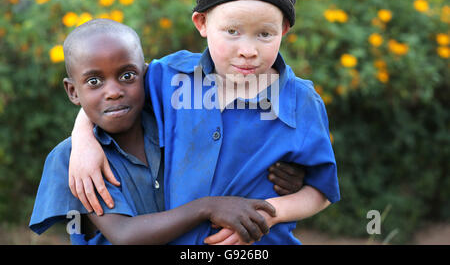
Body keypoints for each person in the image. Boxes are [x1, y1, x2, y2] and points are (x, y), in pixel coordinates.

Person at [69, 0, 340, 245]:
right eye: (232, 31)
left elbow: (321, 191)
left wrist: (269, 213)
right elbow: (115, 90)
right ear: (202, 24)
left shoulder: (301, 102)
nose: (248, 50)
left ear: (284, 29)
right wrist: (82, 139)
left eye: (264, 34)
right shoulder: (169, 77)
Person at [29, 19, 305, 245]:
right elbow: (124, 235)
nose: (113, 91)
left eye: (127, 76)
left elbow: (230, 160)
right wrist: (207, 207)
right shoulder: (72, 159)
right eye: (94, 81)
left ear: (146, 75)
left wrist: (279, 178)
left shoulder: (175, 126)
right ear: (72, 91)